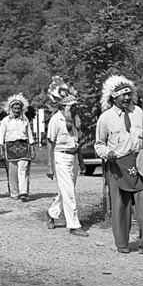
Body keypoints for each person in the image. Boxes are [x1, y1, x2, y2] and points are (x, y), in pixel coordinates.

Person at [94, 75, 143, 256]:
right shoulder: (105, 118)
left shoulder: (138, 112)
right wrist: (108, 153)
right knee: (120, 205)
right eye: (123, 95)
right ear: (114, 97)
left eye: (129, 94)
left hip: (139, 164)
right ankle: (122, 243)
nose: (127, 98)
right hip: (117, 165)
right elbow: (99, 144)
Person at [45, 77, 88, 237]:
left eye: (76, 106)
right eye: (72, 107)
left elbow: (77, 143)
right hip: (61, 158)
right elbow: (50, 143)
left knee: (66, 191)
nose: (75, 109)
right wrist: (50, 166)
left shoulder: (76, 121)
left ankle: (51, 213)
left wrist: (82, 162)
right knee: (69, 191)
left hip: (73, 158)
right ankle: (74, 225)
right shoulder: (56, 120)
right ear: (63, 107)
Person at [0, 93, 35, 202]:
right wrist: (2, 150)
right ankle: (14, 192)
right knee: (12, 171)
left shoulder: (25, 121)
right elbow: (1, 136)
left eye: (18, 108)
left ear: (21, 109)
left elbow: (30, 135)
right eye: (14, 108)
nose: (16, 110)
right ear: (10, 108)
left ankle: (23, 192)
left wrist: (32, 149)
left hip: (23, 145)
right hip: (10, 146)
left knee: (23, 169)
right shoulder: (5, 120)